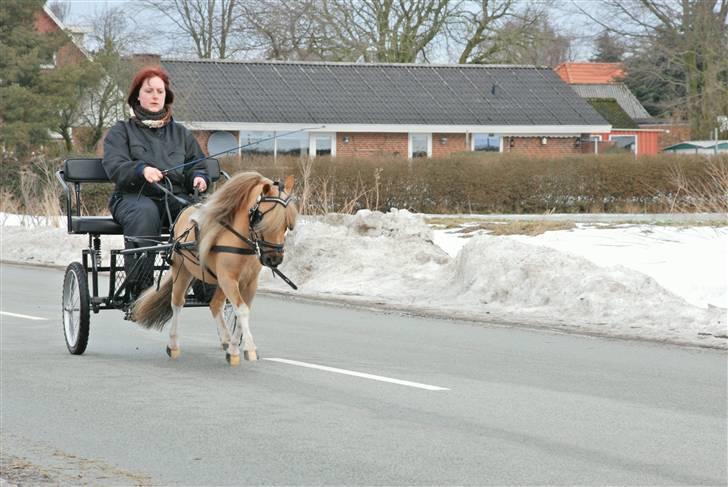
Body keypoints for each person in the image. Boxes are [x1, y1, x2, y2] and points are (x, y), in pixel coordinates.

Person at [102, 66, 209, 298]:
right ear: (137, 96)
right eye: (149, 91)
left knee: (202, 215)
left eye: (160, 92)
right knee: (145, 214)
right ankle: (140, 290)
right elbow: (114, 165)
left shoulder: (181, 134)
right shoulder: (121, 131)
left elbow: (197, 165)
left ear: (166, 97)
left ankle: (205, 283)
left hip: (174, 198)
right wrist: (141, 170)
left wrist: (199, 177)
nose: (155, 96)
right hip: (133, 198)